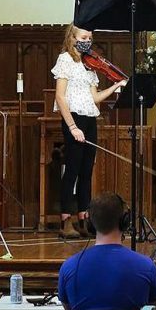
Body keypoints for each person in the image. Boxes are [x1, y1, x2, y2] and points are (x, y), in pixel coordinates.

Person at [52, 23, 127, 239]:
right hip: (73, 118)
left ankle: (83, 219)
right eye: (84, 37)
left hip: (89, 117)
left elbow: (94, 98)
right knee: (72, 170)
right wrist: (72, 127)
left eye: (90, 38)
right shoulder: (65, 60)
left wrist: (116, 86)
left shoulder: (89, 64)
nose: (88, 42)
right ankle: (66, 221)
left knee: (86, 171)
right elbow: (60, 96)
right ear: (72, 38)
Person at [58, 192, 156, 310]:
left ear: (89, 223)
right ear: (125, 221)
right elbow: (154, 309)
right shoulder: (147, 266)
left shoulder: (69, 267)